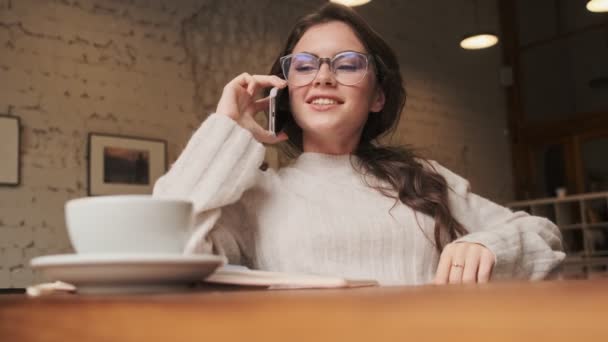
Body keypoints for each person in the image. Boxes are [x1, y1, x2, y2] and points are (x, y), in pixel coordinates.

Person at [153, 3, 565, 285]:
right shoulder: (257, 195)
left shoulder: (425, 180)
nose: (323, 76)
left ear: (377, 97)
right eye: (304, 65)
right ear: (285, 89)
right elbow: (160, 247)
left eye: (348, 64)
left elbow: (544, 238)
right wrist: (228, 127)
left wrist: (489, 244)